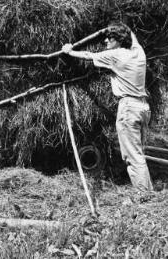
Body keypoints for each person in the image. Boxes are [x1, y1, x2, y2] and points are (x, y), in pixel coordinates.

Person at [62, 23, 153, 192]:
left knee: (132, 156)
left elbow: (89, 55)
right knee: (138, 154)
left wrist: (69, 51)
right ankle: (148, 193)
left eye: (109, 38)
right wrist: (118, 27)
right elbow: (132, 35)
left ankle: (143, 195)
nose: (105, 41)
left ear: (118, 40)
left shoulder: (116, 55)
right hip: (143, 107)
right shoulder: (139, 52)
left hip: (128, 108)